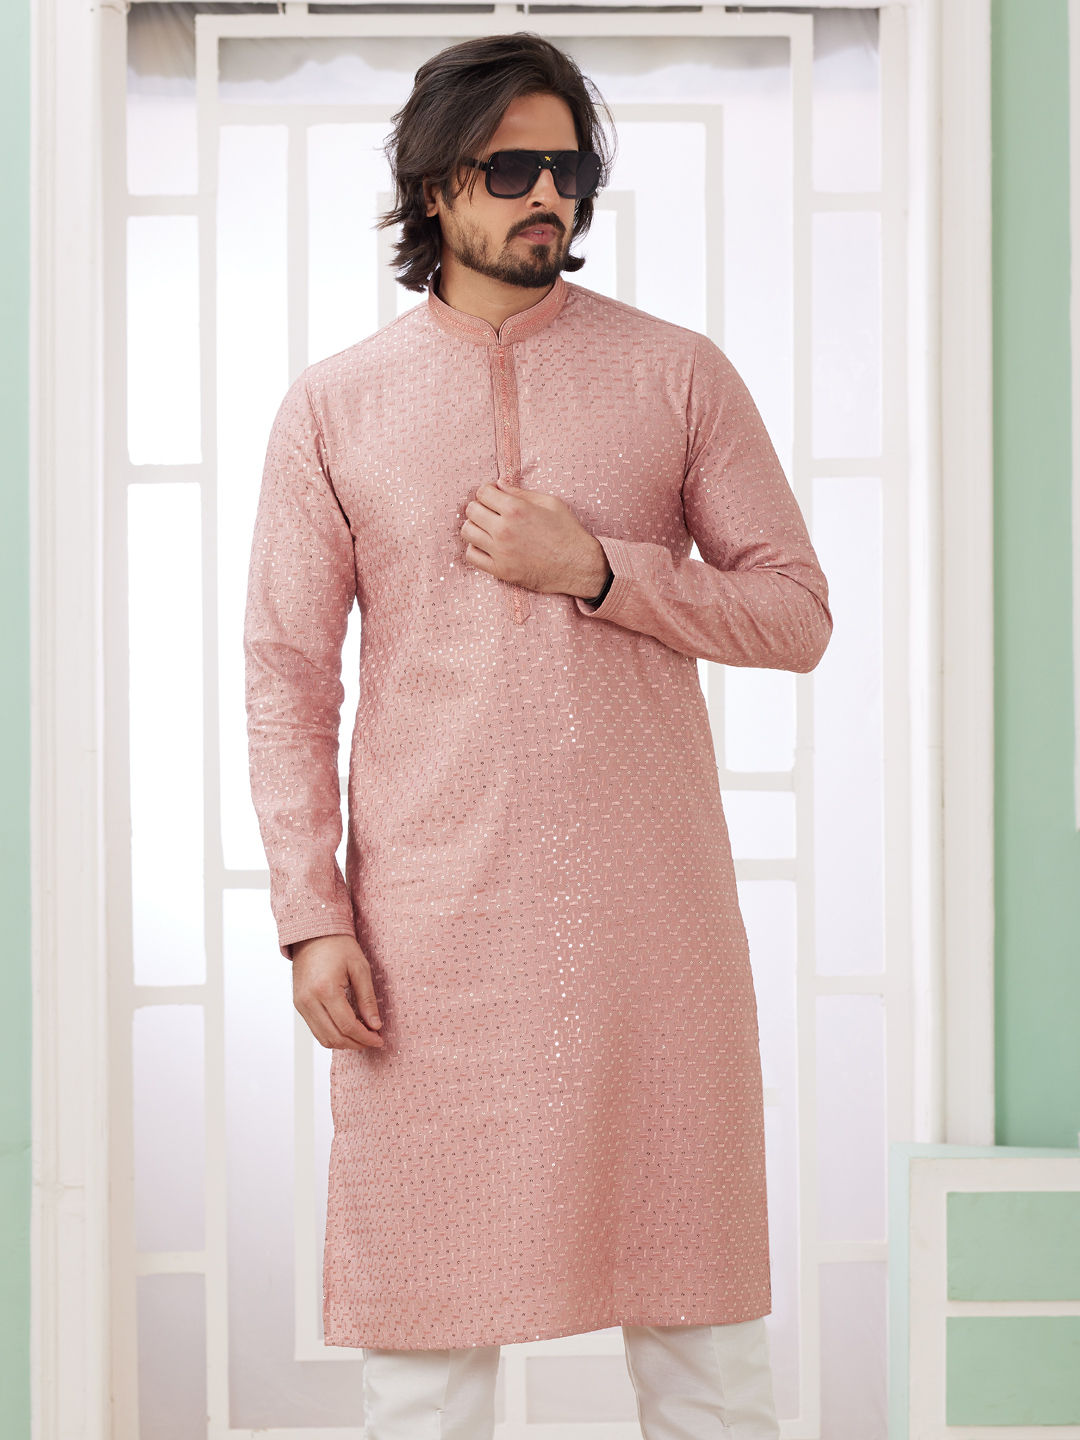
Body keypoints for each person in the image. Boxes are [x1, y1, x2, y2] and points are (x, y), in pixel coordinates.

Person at [243, 31, 832, 1439]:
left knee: (704, 1348)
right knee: (426, 1358)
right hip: (431, 931)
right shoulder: (335, 406)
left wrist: (605, 570)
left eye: (568, 169)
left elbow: (795, 614)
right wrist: (311, 914)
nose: (548, 195)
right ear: (435, 184)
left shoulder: (677, 374)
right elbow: (286, 677)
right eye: (512, 170)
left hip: (652, 929)